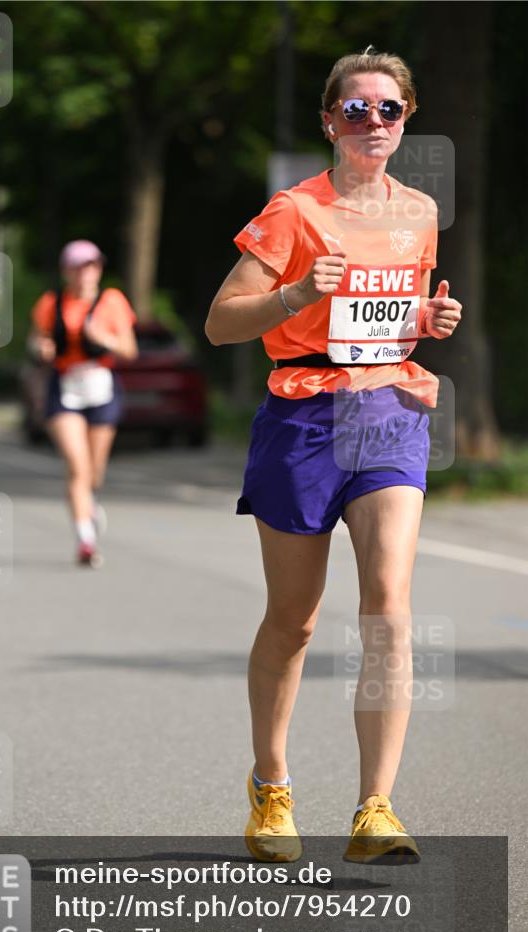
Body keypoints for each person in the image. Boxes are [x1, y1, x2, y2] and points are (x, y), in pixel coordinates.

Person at [205, 48, 462, 864]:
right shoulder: (293, 211)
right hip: (303, 416)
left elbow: (392, 317)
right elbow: (220, 322)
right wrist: (294, 294)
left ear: (405, 120)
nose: (372, 121)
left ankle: (374, 808)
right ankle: (270, 785)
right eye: (356, 109)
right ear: (329, 122)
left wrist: (424, 322)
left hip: (389, 408)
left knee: (388, 605)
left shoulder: (419, 212)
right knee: (295, 619)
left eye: (388, 108)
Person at [30, 241, 138, 565]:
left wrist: (103, 338)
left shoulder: (112, 301)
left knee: (94, 472)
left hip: (101, 387)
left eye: (92, 266)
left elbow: (129, 351)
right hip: (65, 388)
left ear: (99, 269)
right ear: (67, 271)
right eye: (79, 267)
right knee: (77, 467)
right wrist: (41, 348)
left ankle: (88, 504)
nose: (86, 273)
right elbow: (37, 338)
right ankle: (86, 540)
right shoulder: (51, 302)